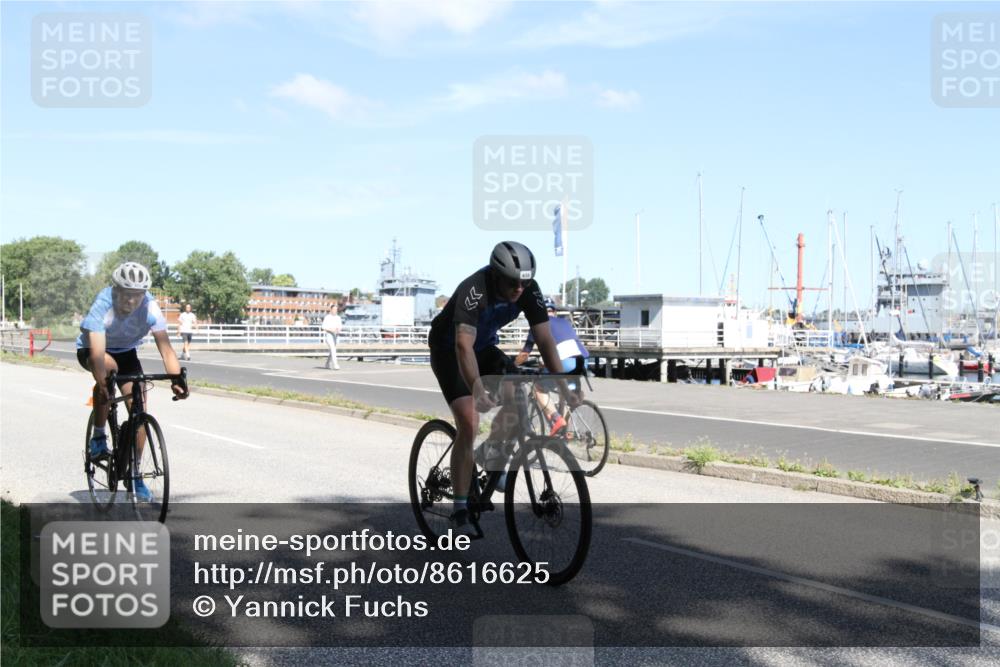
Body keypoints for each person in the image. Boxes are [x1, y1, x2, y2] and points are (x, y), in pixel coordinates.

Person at [428, 241, 578, 538]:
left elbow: (545, 339)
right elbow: (462, 346)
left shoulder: (529, 289)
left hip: (483, 348)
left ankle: (491, 454)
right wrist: (476, 387)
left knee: (519, 397)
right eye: (513, 283)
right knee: (469, 420)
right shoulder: (474, 291)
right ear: (496, 275)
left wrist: (563, 383)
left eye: (524, 282)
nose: (519, 289)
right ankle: (460, 509)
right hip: (450, 351)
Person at [77, 262, 188, 502]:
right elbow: (97, 355)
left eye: (137, 295)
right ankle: (98, 436)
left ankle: (135, 473)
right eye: (126, 295)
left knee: (139, 411)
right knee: (108, 371)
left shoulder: (151, 308)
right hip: (93, 349)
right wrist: (104, 384)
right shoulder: (102, 305)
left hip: (126, 352)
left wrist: (177, 380)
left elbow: (167, 350)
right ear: (116, 291)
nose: (131, 301)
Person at [514, 302, 589, 435]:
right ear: (554, 312)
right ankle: (566, 432)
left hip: (564, 362)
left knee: (538, 388)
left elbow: (525, 354)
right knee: (564, 392)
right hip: (582, 361)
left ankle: (557, 419)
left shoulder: (537, 326)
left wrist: (513, 365)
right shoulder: (564, 322)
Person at [322, 304, 343, 370]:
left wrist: (338, 330)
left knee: (332, 351)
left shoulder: (338, 317)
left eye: (336, 309)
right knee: (333, 349)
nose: (335, 311)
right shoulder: (327, 317)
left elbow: (340, 326)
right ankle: (335, 364)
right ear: (331, 310)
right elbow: (323, 327)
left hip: (336, 336)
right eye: (334, 309)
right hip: (329, 335)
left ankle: (327, 363)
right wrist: (331, 329)